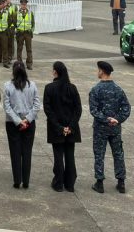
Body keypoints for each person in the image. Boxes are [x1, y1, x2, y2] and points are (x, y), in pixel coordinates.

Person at [89, 61, 130, 194]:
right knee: (118, 154)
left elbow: (94, 110)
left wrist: (106, 119)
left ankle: (99, 183)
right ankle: (121, 182)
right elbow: (126, 108)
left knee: (99, 154)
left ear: (101, 71)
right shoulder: (118, 89)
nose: (97, 72)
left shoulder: (96, 90)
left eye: (98, 70)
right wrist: (117, 119)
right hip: (115, 128)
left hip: (101, 128)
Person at [44, 60, 82, 193]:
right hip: (71, 129)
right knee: (70, 156)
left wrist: (60, 128)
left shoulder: (49, 88)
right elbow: (78, 110)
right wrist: (70, 127)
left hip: (57, 129)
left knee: (58, 156)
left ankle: (58, 183)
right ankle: (70, 184)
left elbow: (48, 111)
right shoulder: (72, 88)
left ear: (55, 72)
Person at [3, 60, 40, 189]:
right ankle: (26, 181)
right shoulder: (32, 85)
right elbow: (36, 105)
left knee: (15, 152)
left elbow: (7, 107)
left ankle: (17, 180)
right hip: (29, 124)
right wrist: (27, 119)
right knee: (27, 151)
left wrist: (18, 121)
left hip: (13, 124)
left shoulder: (8, 86)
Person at [15, 0, 35, 71]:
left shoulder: (30, 13)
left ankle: (29, 64)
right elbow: (14, 23)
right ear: (20, 5)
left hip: (27, 33)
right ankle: (19, 64)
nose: (24, 5)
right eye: (22, 4)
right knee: (19, 49)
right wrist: (16, 30)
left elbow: (33, 23)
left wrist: (31, 30)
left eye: (25, 4)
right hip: (20, 33)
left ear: (26, 4)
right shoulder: (17, 13)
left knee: (29, 49)